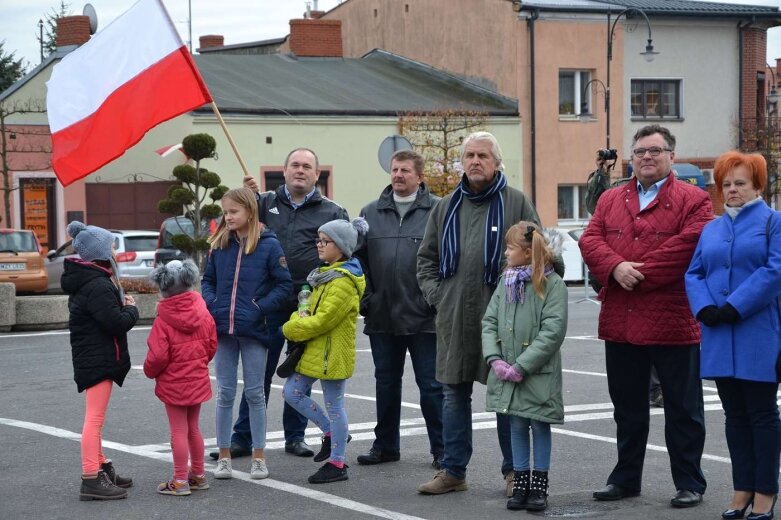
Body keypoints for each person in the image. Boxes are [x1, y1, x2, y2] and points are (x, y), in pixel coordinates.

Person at [579, 124, 713, 508]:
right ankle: (625, 479)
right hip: (621, 320)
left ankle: (690, 482)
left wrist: (634, 275)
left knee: (684, 410)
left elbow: (687, 248)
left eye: (655, 151)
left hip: (673, 320)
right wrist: (616, 266)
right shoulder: (610, 199)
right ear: (631, 158)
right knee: (627, 408)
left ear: (671, 155)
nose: (647, 157)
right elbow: (591, 240)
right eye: (639, 152)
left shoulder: (695, 199)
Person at [416, 131, 543, 495]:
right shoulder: (445, 207)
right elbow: (425, 260)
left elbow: (541, 256)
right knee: (453, 393)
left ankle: (514, 472)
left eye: (483, 156)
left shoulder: (516, 203)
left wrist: (519, 300)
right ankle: (453, 471)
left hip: (505, 318)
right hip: (454, 316)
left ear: (497, 162)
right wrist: (439, 297)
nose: (475, 161)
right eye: (469, 155)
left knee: (506, 395)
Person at [210, 148, 348, 461]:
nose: (300, 170)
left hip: (308, 303)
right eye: (295, 165)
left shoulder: (333, 211)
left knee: (299, 370)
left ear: (316, 173)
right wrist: (249, 196)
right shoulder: (263, 203)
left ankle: (295, 437)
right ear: (284, 171)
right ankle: (243, 438)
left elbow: (347, 253)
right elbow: (234, 220)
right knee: (258, 376)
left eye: (307, 166)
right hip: (266, 303)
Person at [685, 151, 781, 520]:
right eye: (726, 184)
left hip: (759, 332)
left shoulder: (773, 223)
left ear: (757, 186)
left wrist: (735, 305)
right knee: (734, 416)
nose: (732, 190)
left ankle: (765, 492)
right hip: (719, 335)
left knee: (761, 414)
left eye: (740, 183)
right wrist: (704, 307)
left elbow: (775, 271)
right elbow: (694, 273)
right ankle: (742, 488)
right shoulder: (712, 228)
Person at [354, 149, 444, 468]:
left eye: (405, 170)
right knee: (386, 384)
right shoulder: (370, 212)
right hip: (382, 316)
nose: (398, 175)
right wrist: (368, 298)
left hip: (425, 318)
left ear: (420, 177)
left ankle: (442, 450)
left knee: (432, 387)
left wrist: (434, 299)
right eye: (394, 170)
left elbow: (449, 261)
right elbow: (357, 261)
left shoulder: (439, 211)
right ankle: (386, 446)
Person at [201, 187, 292, 480]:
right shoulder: (219, 245)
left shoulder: (269, 245)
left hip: (255, 331)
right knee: (225, 394)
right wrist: (213, 304)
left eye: (233, 212)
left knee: (255, 394)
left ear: (250, 212)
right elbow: (207, 281)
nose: (227, 217)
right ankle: (224, 457)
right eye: (225, 212)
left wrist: (258, 308)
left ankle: (258, 457)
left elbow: (284, 286)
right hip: (224, 331)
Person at [482, 222, 567, 511]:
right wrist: (494, 359)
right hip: (506, 370)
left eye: (509, 248)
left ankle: (539, 485)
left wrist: (521, 366)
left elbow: (552, 332)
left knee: (540, 425)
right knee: (516, 425)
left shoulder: (552, 285)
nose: (505, 253)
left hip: (536, 373)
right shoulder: (506, 281)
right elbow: (489, 321)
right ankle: (520, 482)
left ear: (528, 252)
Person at [281, 218, 367, 484]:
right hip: (317, 350)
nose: (319, 245)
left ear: (340, 247)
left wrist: (291, 328)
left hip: (332, 354)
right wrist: (298, 320)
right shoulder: (324, 275)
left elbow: (322, 320)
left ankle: (338, 463)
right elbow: (305, 310)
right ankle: (332, 433)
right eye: (318, 240)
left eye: (324, 241)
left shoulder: (342, 282)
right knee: (291, 392)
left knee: (334, 405)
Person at [62, 220, 138, 501]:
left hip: (93, 356)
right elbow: (115, 323)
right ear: (101, 253)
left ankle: (101, 466)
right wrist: (131, 310)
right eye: (112, 248)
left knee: (96, 418)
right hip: (97, 358)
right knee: (94, 420)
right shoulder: (97, 285)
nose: (115, 253)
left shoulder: (92, 280)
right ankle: (91, 478)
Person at [144, 259, 217, 496]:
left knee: (177, 429)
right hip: (196, 377)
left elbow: (157, 357)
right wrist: (199, 363)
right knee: (193, 428)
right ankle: (198, 474)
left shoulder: (163, 320)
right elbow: (212, 345)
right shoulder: (203, 313)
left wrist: (149, 371)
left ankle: (179, 480)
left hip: (173, 382)